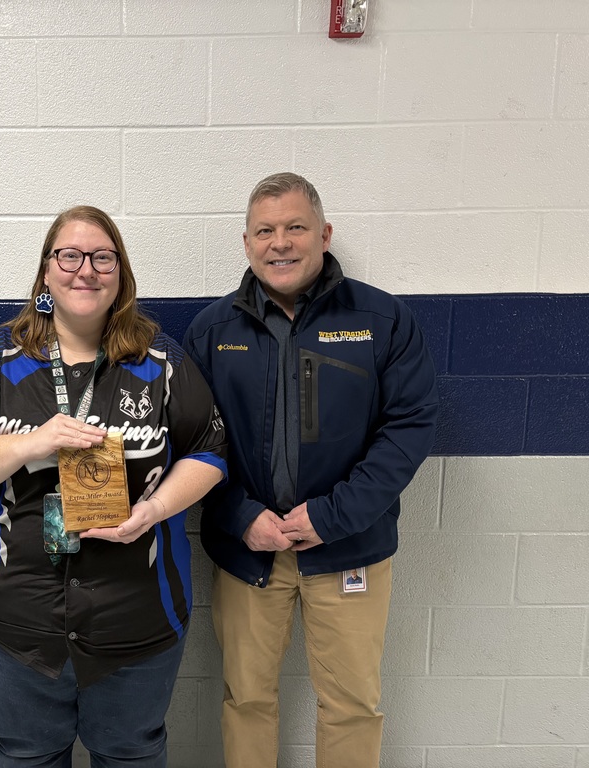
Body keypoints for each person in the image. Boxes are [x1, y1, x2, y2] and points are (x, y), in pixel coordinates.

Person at [0, 205, 227, 767]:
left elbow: (210, 451)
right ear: (46, 271)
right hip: (16, 616)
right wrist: (31, 443)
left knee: (130, 755)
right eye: (68, 255)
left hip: (138, 617)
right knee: (28, 755)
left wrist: (155, 508)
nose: (84, 269)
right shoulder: (1, 356)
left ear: (120, 272)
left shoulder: (161, 358)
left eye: (102, 257)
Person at [183, 172, 438, 768]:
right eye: (265, 231)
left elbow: (409, 426)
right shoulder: (212, 332)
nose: (281, 243)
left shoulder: (382, 321)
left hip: (349, 548)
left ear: (323, 234)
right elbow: (193, 444)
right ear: (245, 243)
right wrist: (242, 518)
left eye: (296, 227)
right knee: (246, 699)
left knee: (351, 704)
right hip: (249, 552)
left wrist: (331, 516)